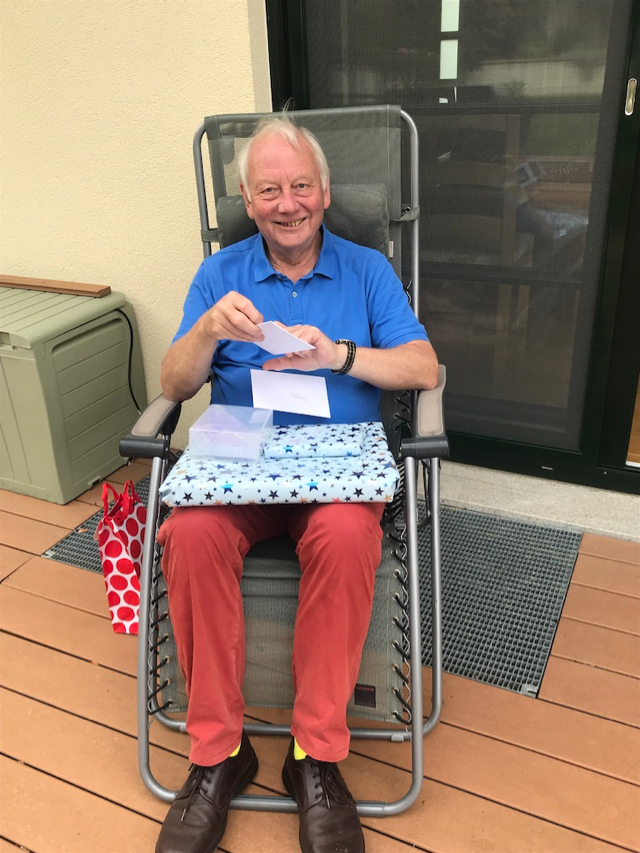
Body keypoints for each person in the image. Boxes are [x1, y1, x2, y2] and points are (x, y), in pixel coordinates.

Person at [155, 112, 439, 853]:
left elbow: (423, 367)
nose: (288, 204)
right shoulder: (219, 276)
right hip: (239, 468)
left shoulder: (366, 271)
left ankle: (314, 755)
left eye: (302, 186)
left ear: (325, 191)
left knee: (347, 534)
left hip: (337, 470)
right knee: (188, 532)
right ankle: (219, 751)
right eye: (269, 190)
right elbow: (174, 383)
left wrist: (340, 355)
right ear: (248, 202)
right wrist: (207, 330)